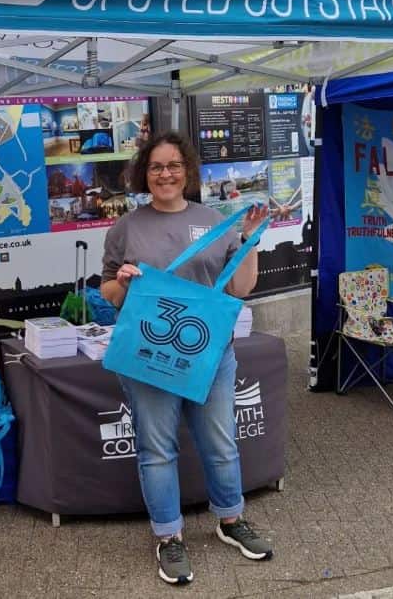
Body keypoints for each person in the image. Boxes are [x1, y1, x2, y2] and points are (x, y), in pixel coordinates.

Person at [100, 131, 272, 586]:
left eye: (174, 165)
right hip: (149, 355)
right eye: (156, 167)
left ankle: (231, 520)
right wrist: (122, 280)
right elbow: (110, 293)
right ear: (144, 174)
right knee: (157, 451)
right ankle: (168, 536)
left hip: (212, 356)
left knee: (220, 446)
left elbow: (240, 288)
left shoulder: (215, 220)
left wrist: (250, 241)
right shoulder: (127, 227)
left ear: (187, 171)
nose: (166, 174)